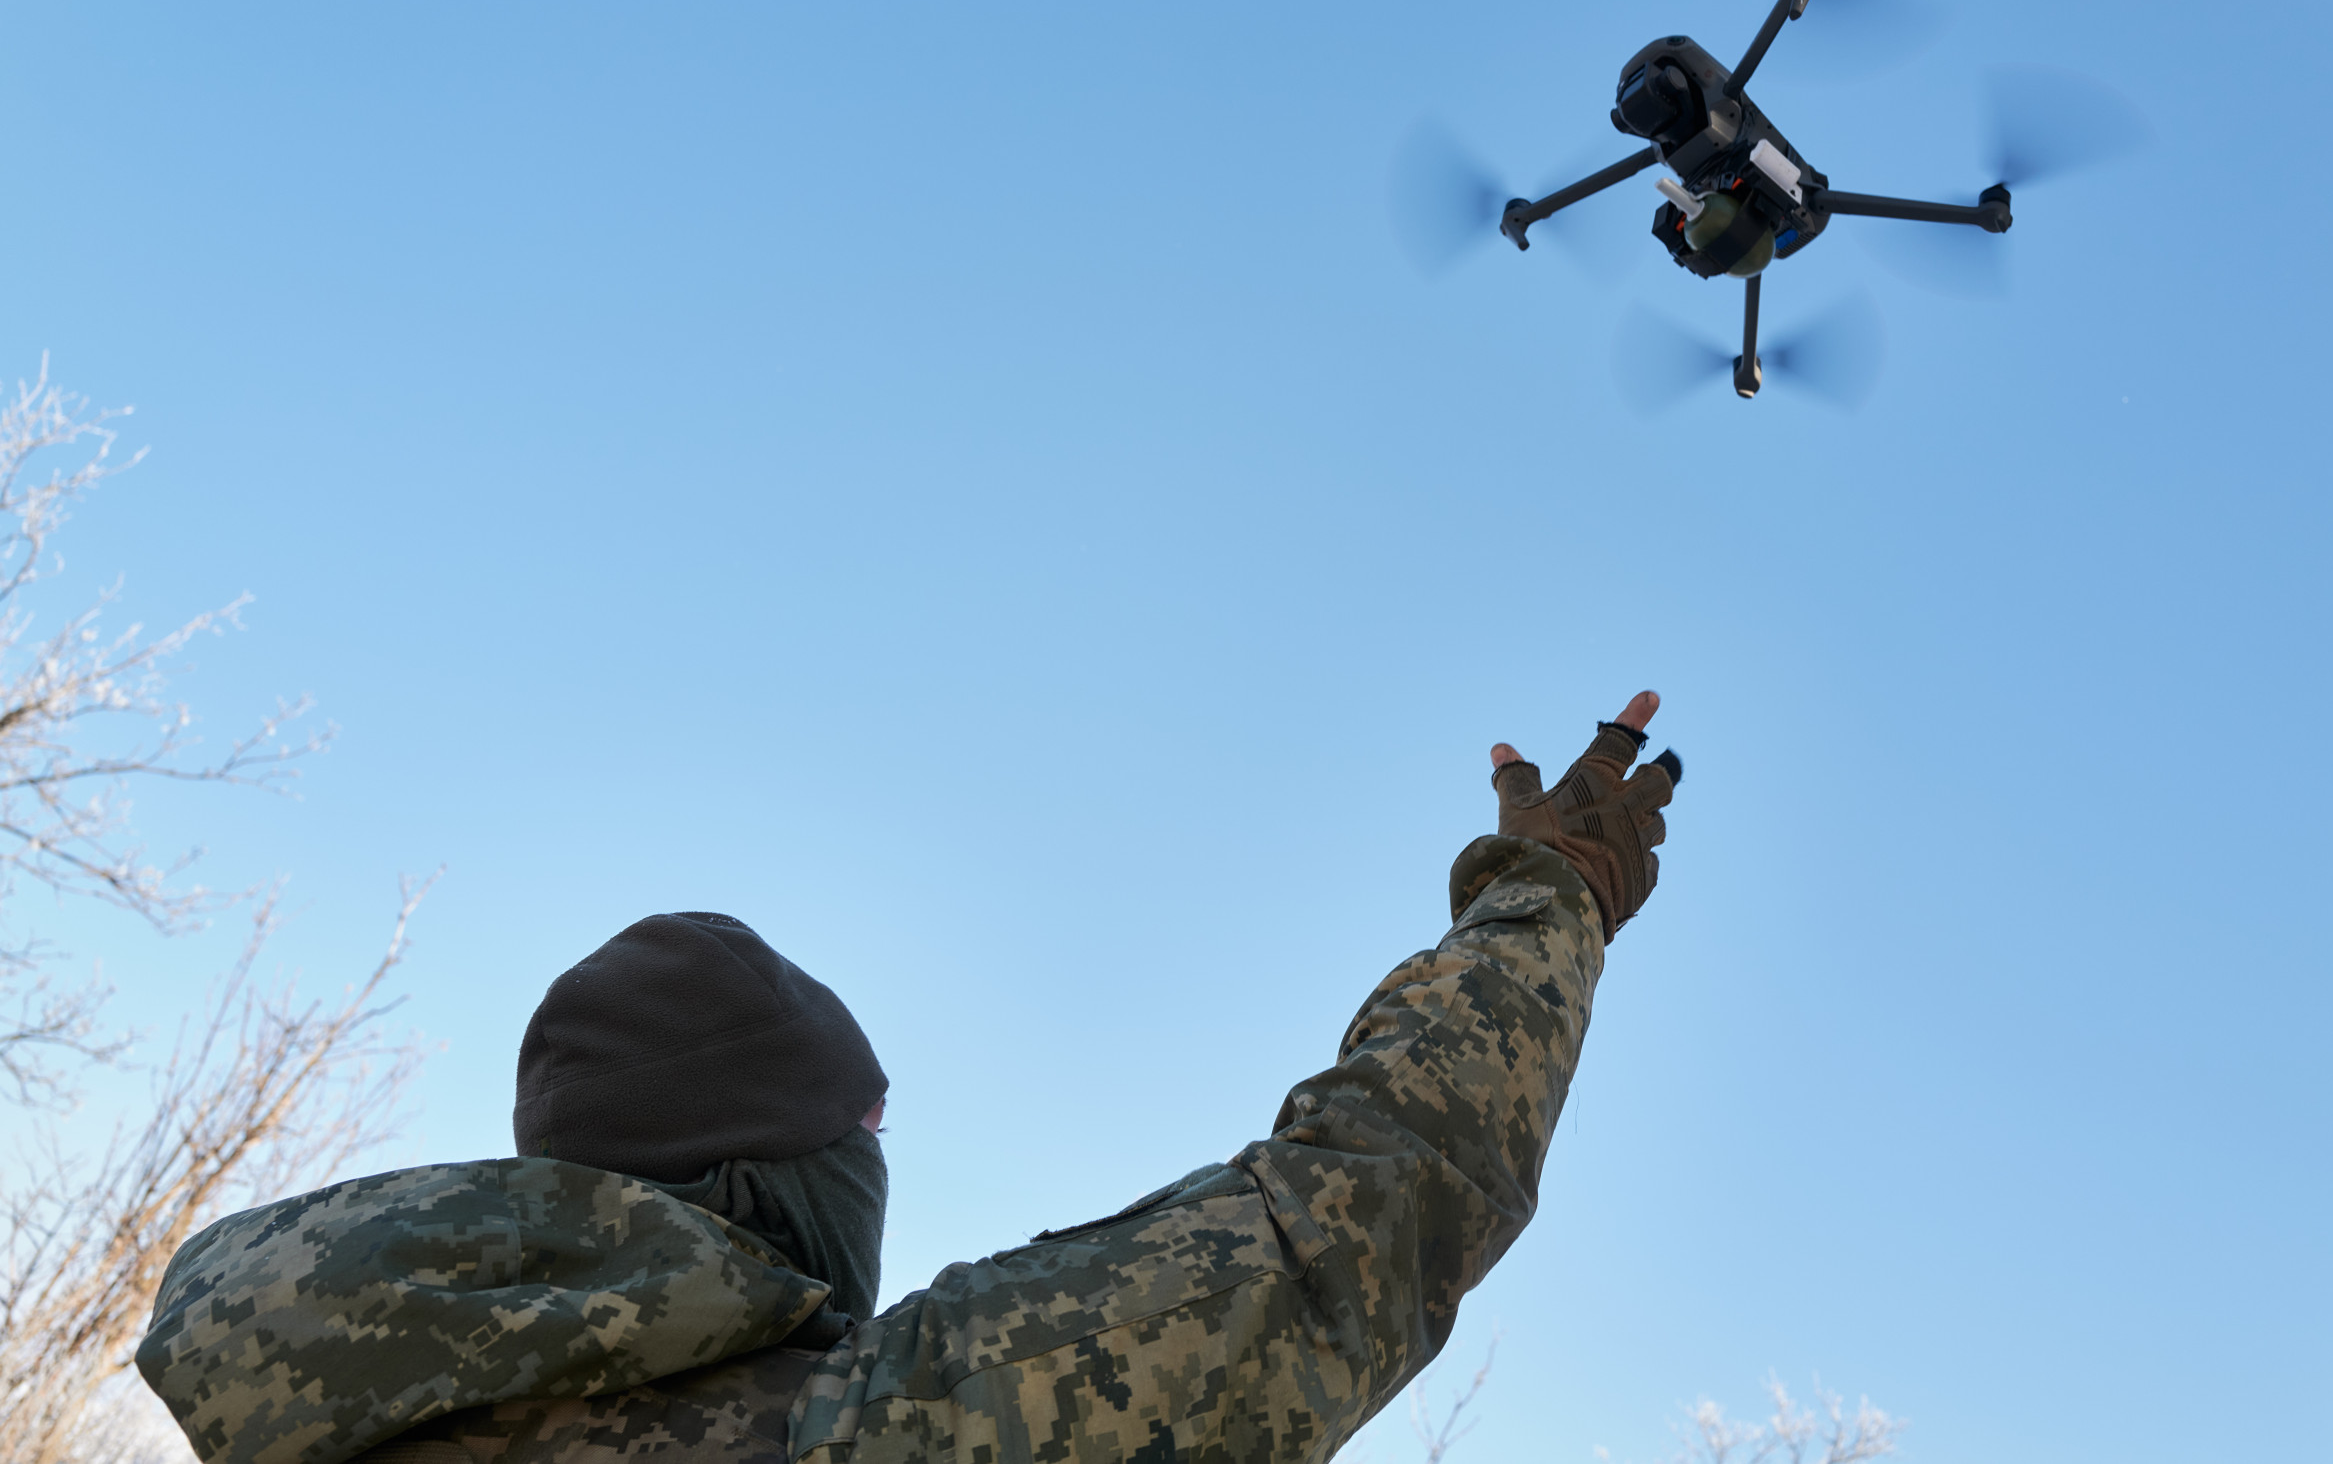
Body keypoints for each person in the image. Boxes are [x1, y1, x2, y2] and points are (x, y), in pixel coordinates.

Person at [136, 692, 1683, 1464]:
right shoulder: (832, 1435)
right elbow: (1338, 1236)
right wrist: (1544, 906)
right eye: (859, 1128)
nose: (881, 1156)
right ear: (748, 1178)